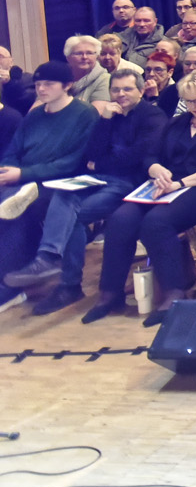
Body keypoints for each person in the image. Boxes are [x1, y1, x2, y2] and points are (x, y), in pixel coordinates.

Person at [83, 69, 196, 325]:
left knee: (156, 222)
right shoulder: (178, 122)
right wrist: (156, 169)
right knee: (121, 219)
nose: (194, 106)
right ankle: (110, 292)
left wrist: (179, 183)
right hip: (168, 183)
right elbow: (151, 154)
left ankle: (174, 292)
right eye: (189, 101)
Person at [0, 61, 102, 313]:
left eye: (48, 84)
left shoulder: (84, 114)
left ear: (67, 85)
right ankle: (15, 277)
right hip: (23, 179)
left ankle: (10, 287)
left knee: (18, 213)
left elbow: (71, 162)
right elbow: (13, 151)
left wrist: (23, 174)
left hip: (60, 182)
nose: (41, 89)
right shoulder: (34, 116)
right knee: (11, 206)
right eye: (37, 84)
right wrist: (7, 171)